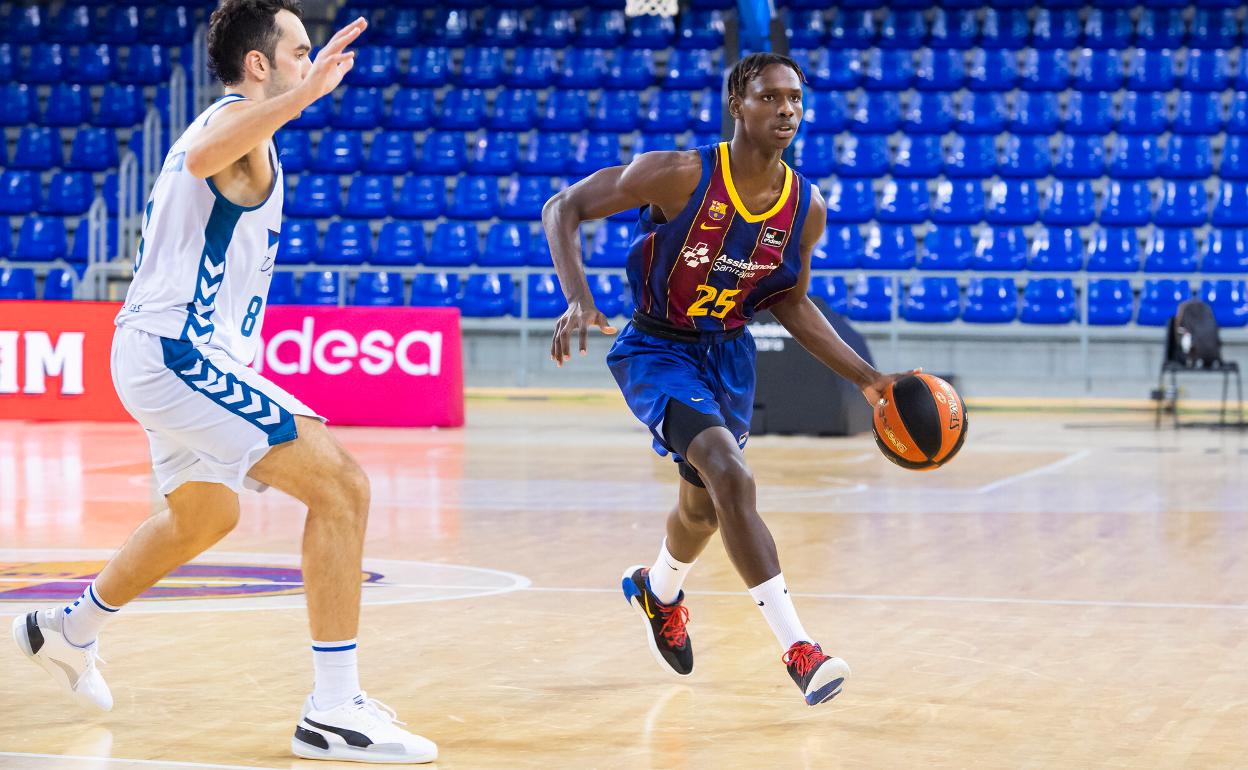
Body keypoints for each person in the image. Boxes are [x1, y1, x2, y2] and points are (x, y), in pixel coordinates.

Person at [11, 1, 436, 762]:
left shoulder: (247, 130)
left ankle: (66, 632)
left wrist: (295, 101)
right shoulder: (232, 124)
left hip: (168, 353)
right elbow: (210, 157)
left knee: (205, 517)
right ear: (258, 65)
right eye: (301, 52)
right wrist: (303, 97)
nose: (314, 63)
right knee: (342, 487)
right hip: (179, 351)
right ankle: (332, 711)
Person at [542, 52, 915, 706]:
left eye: (795, 98)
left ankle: (658, 592)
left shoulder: (806, 206)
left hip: (728, 354)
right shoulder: (678, 174)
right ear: (738, 105)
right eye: (770, 98)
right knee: (730, 472)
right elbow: (562, 207)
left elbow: (790, 299)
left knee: (704, 505)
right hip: (657, 347)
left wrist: (869, 379)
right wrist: (578, 296)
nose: (787, 110)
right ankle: (800, 649)